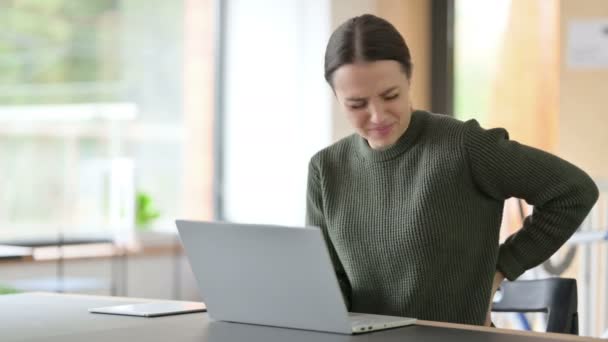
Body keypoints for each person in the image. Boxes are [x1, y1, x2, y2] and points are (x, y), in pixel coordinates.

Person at [305, 14, 599, 327]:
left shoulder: (463, 146)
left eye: (390, 96)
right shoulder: (325, 169)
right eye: (357, 104)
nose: (377, 115)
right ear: (336, 98)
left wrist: (500, 268)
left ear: (408, 80)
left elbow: (573, 191)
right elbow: (326, 283)